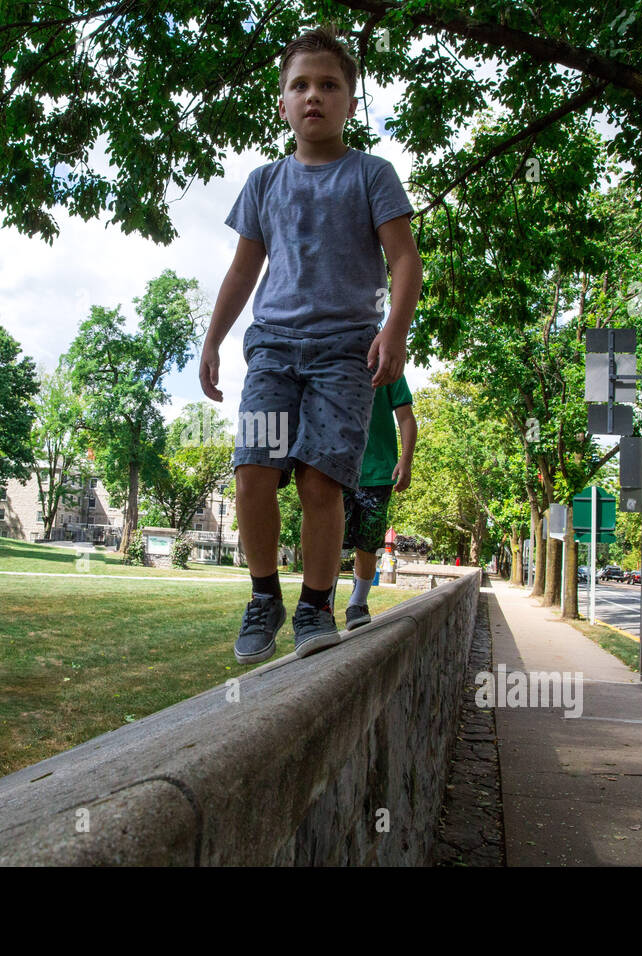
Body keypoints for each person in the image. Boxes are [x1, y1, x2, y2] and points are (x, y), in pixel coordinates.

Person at [198, 25, 422, 664]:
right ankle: (264, 596)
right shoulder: (264, 182)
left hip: (344, 355)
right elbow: (243, 270)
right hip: (272, 349)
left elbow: (404, 260)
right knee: (254, 471)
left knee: (322, 482)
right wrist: (213, 340)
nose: (314, 95)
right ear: (283, 102)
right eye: (300, 85)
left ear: (351, 103)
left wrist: (394, 331)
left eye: (329, 85)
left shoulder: (371, 175)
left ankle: (317, 604)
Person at [335, 374, 416, 630]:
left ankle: (357, 603)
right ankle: (322, 603)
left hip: (379, 470)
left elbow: (405, 417)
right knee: (329, 537)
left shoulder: (389, 364)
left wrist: (406, 460)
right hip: (336, 465)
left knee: (368, 540)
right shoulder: (332, 353)